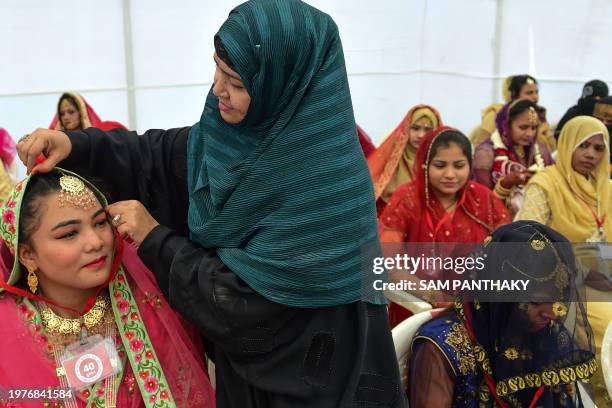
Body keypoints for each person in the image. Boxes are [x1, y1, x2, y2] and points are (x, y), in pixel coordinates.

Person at [18, 1, 404, 407]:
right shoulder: (236, 136)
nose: (218, 89)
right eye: (217, 69)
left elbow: (251, 310)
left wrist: (155, 240)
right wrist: (77, 145)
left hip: (318, 383)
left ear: (284, 87)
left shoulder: (323, 190)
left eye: (236, 82)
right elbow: (158, 157)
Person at [0, 169, 215, 407]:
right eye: (69, 233)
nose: (96, 242)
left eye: (100, 223)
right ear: (28, 255)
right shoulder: (7, 333)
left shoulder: (149, 304)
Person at [409, 221, 598, 407]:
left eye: (558, 301)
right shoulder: (444, 347)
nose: (552, 314)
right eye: (536, 302)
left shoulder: (546, 333)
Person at [515, 116, 612, 406]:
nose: (591, 154)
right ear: (567, 144)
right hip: (564, 282)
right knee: (607, 326)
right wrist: (580, 271)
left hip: (606, 280)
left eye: (598, 148)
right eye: (583, 145)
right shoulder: (545, 185)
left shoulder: (606, 188)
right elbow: (523, 244)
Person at [378, 127, 509, 326]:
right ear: (425, 165)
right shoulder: (407, 198)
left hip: (476, 306)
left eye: (459, 165)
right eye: (440, 165)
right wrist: (433, 295)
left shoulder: (484, 200)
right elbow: (390, 265)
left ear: (470, 165)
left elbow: (506, 253)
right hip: (417, 307)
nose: (450, 174)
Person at [473, 99, 554, 216]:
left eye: (534, 128)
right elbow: (483, 201)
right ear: (506, 125)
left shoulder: (540, 151)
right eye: (523, 127)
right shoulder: (486, 153)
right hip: (497, 222)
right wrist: (506, 184)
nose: (530, 134)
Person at [368, 104, 442, 216]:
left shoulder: (441, 161)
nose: (421, 135)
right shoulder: (392, 157)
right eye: (415, 128)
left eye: (428, 130)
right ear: (407, 128)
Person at [470, 75, 554, 152]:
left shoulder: (536, 115)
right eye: (529, 93)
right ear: (514, 95)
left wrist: (544, 122)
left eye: (536, 92)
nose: (535, 97)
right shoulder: (495, 113)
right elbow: (480, 146)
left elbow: (553, 149)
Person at [50, 92, 127, 132]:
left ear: (82, 113)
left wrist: (92, 134)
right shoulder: (52, 143)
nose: (66, 117)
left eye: (71, 112)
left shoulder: (109, 130)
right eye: (62, 114)